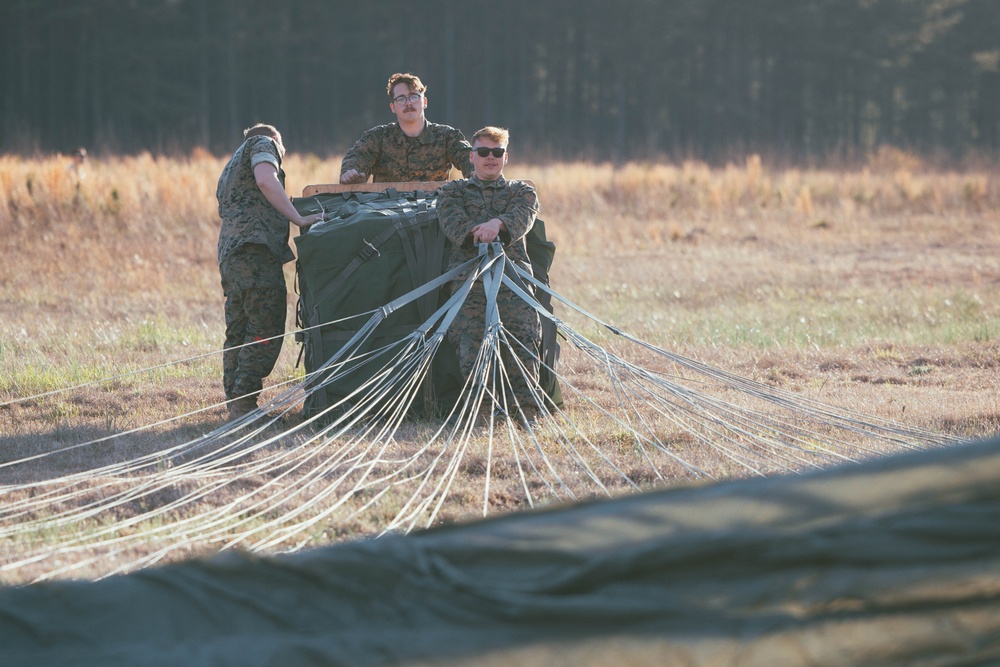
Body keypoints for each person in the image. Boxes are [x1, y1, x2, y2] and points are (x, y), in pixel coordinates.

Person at [216, 123, 323, 420]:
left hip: (231, 255)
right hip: (256, 252)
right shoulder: (263, 143)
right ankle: (244, 403)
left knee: (239, 330)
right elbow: (266, 179)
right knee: (265, 327)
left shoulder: (229, 167)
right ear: (277, 141)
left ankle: (236, 404)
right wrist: (299, 218)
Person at [437, 126, 542, 422]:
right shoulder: (451, 192)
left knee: (522, 340)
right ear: (472, 156)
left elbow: (524, 216)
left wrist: (498, 224)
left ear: (505, 157)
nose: (490, 158)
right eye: (483, 152)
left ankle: (526, 411)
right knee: (472, 344)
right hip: (469, 280)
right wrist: (477, 232)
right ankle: (483, 411)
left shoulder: (522, 191)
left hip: (513, 279)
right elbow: (453, 224)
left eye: (497, 153)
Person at [340, 72, 473, 184]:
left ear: (424, 102)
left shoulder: (446, 137)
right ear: (393, 107)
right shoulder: (378, 138)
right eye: (401, 99)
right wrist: (350, 173)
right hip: (386, 209)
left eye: (414, 97)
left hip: (432, 209)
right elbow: (357, 157)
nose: (408, 103)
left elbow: (470, 158)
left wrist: (475, 172)